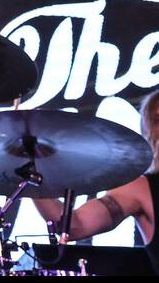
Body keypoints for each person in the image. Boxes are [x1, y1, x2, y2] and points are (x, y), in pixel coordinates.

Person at [31, 89, 159, 271]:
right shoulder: (140, 189)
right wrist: (32, 170)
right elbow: (75, 226)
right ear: (150, 132)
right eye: (157, 120)